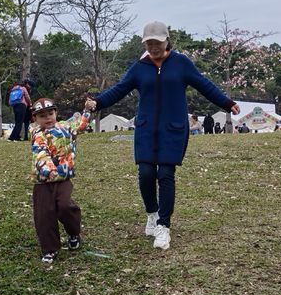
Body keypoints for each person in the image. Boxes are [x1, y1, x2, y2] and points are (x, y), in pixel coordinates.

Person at [85, 21, 239, 251]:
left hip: (173, 128)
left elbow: (204, 85)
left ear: (167, 40)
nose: (153, 47)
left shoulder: (181, 63)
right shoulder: (139, 67)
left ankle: (163, 226)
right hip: (146, 128)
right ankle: (151, 213)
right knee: (146, 173)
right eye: (149, 43)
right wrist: (98, 102)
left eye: (157, 42)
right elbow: (119, 89)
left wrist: (227, 103)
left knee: (166, 174)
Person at [30, 97, 91, 264]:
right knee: (44, 215)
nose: (48, 118)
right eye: (42, 116)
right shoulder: (37, 134)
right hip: (43, 181)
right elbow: (40, 153)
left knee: (65, 206)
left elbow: (80, 124)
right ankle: (50, 249)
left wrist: (87, 110)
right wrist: (48, 169)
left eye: (50, 113)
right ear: (35, 119)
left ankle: (73, 232)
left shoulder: (65, 127)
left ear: (56, 113)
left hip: (63, 178)